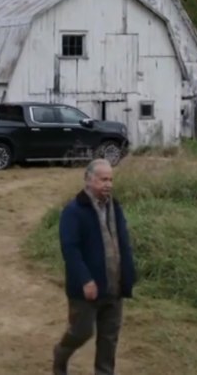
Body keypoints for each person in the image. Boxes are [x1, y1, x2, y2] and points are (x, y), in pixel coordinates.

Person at [52, 159, 136, 375]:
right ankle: (61, 353)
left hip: (114, 286)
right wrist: (85, 280)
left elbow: (123, 242)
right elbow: (70, 250)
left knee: (109, 338)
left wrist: (128, 274)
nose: (108, 184)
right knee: (81, 332)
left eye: (110, 179)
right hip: (86, 289)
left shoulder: (115, 207)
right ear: (89, 180)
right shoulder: (74, 211)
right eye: (103, 179)